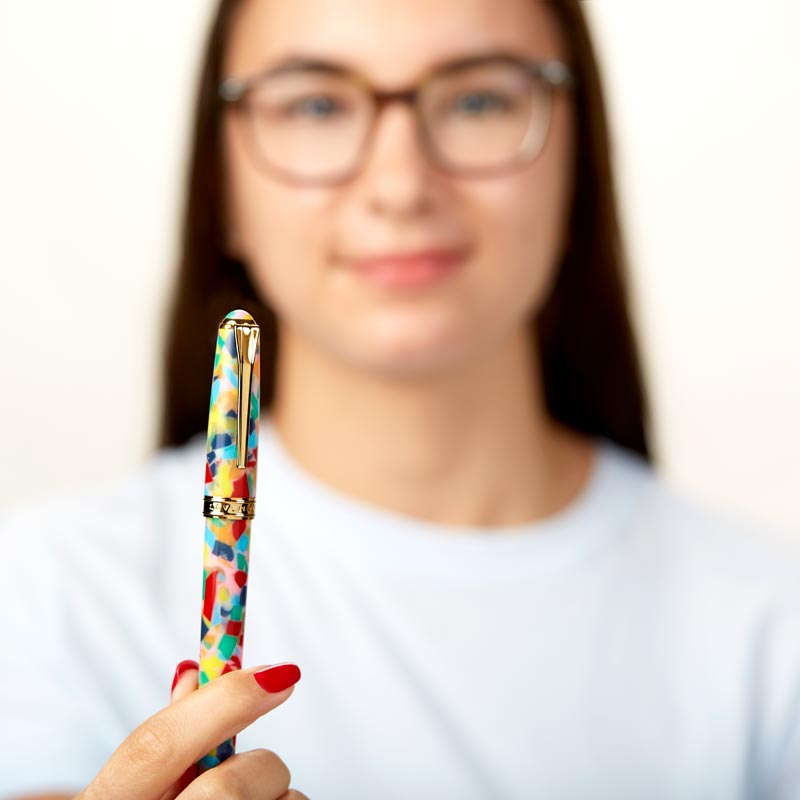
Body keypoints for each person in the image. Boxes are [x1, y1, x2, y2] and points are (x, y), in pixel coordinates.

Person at [3, 0, 800, 797]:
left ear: (577, 165)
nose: (400, 185)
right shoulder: (42, 599)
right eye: (315, 104)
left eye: (479, 99)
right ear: (223, 187)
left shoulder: (771, 631)